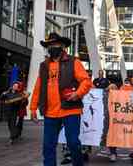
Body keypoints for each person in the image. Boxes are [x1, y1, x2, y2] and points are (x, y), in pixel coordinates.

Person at [30, 32, 92, 166]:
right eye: (50, 45)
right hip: (50, 112)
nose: (52, 47)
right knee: (48, 146)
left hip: (70, 110)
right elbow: (38, 87)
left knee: (73, 143)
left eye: (55, 44)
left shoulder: (74, 62)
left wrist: (78, 94)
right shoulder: (44, 65)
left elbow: (86, 82)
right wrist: (33, 108)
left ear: (62, 46)